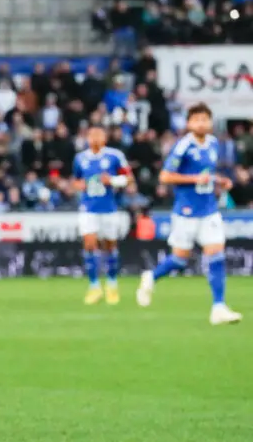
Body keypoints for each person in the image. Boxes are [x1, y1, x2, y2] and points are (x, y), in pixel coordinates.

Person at [137, 103, 242, 325]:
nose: (201, 123)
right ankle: (151, 276)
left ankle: (218, 307)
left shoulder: (213, 143)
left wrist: (218, 180)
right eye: (197, 119)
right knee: (179, 260)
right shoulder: (183, 146)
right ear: (189, 123)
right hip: (186, 211)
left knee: (216, 254)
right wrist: (194, 179)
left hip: (209, 209)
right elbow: (165, 176)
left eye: (205, 119)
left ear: (210, 122)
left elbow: (206, 173)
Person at [71, 124, 130, 305]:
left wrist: (112, 180)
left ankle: (111, 284)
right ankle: (94, 286)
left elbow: (128, 178)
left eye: (99, 135)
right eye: (92, 135)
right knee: (89, 244)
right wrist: (79, 185)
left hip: (109, 208)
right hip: (88, 208)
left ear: (105, 138)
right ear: (87, 138)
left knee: (110, 246)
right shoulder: (80, 158)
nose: (95, 139)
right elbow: (76, 180)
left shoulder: (115, 156)